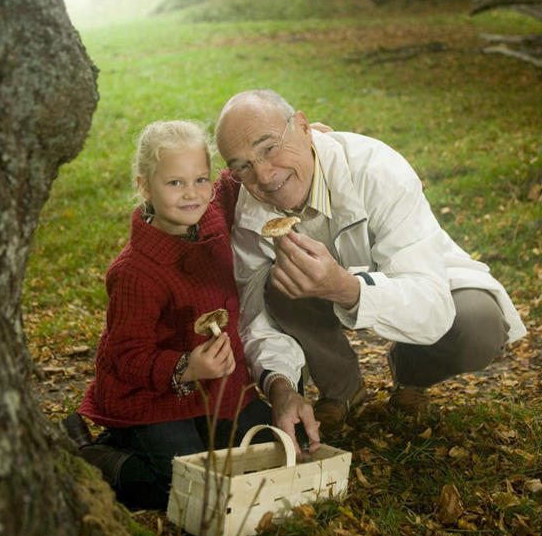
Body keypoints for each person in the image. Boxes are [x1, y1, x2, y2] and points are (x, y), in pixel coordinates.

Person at [215, 89, 527, 456]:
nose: (264, 176)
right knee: (275, 282)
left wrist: (346, 288)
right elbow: (254, 316)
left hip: (412, 281)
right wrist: (280, 385)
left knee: (479, 326)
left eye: (268, 147)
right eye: (243, 166)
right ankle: (343, 388)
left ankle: (412, 372)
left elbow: (430, 299)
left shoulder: (378, 169)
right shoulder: (250, 208)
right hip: (317, 300)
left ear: (302, 126)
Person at [63, 120, 272, 510]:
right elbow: (124, 355)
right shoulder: (135, 272)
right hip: (152, 393)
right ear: (145, 187)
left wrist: (300, 145)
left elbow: (236, 176)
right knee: (184, 488)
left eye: (200, 180)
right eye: (175, 183)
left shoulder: (211, 211)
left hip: (218, 388)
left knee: (269, 454)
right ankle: (93, 455)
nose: (191, 194)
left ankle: (155, 440)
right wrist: (187, 366)